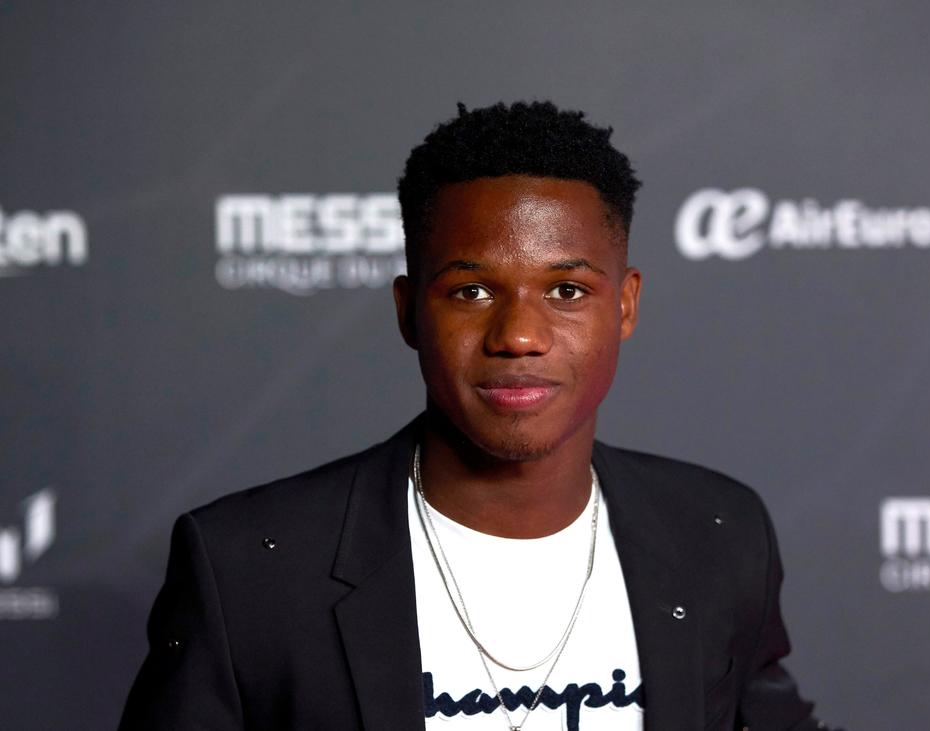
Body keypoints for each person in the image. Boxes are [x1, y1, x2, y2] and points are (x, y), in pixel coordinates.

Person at [119, 101, 837, 731]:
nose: (519, 335)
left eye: (566, 290)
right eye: (471, 292)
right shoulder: (248, 567)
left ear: (625, 306)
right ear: (408, 312)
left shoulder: (717, 531)